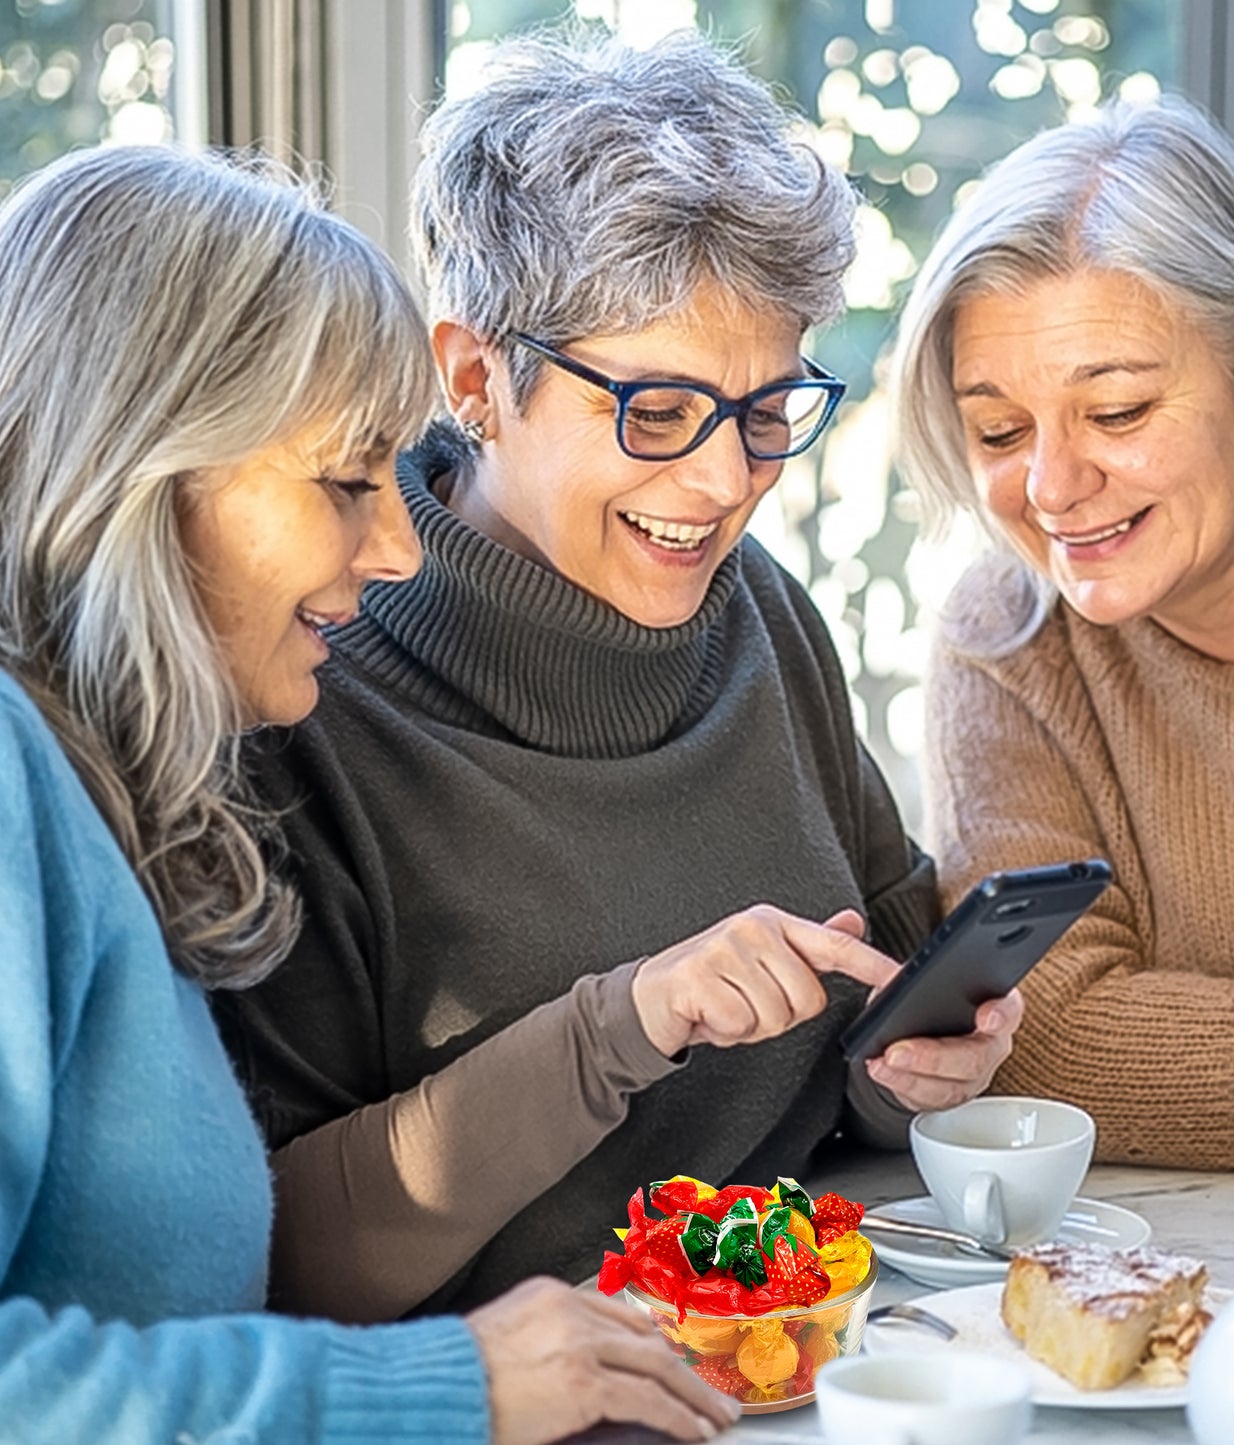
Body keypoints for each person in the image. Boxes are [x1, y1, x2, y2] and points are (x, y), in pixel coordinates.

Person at [213, 28, 1022, 1325]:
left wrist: (916, 1061)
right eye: (655, 412)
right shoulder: (301, 691)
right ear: (478, 376)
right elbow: (287, 1259)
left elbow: (860, 1041)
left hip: (806, 1354)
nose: (722, 484)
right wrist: (623, 1025)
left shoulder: (759, 612)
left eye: (767, 412)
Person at [0, 143, 739, 1445]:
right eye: (347, 484)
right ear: (141, 481)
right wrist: (446, 1387)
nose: (396, 549)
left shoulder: (112, 798)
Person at [894, 94, 1234, 1173]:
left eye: (1116, 412)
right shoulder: (1009, 643)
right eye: (998, 429)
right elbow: (1046, 1032)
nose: (1050, 485)